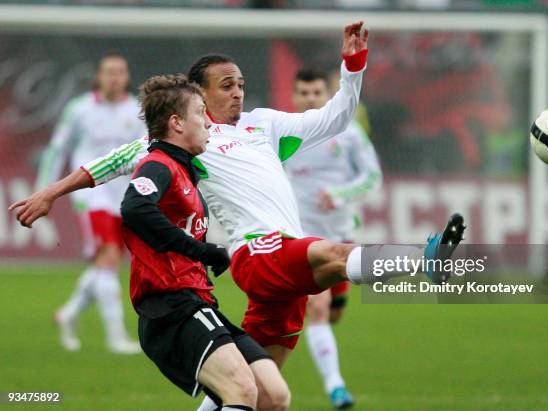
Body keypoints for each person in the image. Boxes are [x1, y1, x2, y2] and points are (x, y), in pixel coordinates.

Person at [10, 21, 465, 387]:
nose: (238, 93)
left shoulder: (263, 126)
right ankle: (425, 260)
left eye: (241, 84)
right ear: (198, 94)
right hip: (257, 252)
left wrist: (353, 68)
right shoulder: (182, 141)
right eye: (226, 85)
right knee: (334, 254)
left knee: (262, 393)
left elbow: (335, 119)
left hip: (281, 266)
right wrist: (50, 193)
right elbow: (111, 162)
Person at [121, 74, 289, 411]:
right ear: (177, 123)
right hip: (170, 307)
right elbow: (134, 207)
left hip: (196, 300)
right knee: (242, 391)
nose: (209, 122)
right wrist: (202, 250)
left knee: (273, 394)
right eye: (201, 113)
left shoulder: (187, 172)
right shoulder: (159, 165)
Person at [284, 67, 382, 409]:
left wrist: (339, 194)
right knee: (318, 308)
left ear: (327, 96)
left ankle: (329, 358)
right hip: (302, 238)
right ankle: (336, 386)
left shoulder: (350, 134)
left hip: (341, 234)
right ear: (294, 96)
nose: (310, 99)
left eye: (316, 93)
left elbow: (372, 176)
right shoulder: (283, 134)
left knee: (335, 313)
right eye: (303, 93)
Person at [35, 53, 145, 354]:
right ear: (99, 76)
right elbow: (57, 149)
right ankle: (116, 337)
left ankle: (68, 314)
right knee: (108, 257)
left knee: (106, 263)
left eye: (119, 72)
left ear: (126, 77)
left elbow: (146, 152)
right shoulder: (79, 109)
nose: (114, 77)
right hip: (90, 194)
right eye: (108, 71)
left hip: (123, 195)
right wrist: (45, 190)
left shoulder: (137, 111)